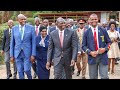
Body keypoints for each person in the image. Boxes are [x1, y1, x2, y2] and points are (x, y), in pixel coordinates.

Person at [82, 13, 111, 79]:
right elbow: (83, 46)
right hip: (92, 58)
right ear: (89, 20)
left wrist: (105, 49)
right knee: (93, 77)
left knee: (104, 77)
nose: (94, 21)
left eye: (95, 19)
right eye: (92, 19)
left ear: (98, 20)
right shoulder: (86, 32)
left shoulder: (103, 30)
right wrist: (90, 52)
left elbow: (109, 42)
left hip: (103, 57)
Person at [10, 14, 36, 79]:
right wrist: (11, 55)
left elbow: (33, 42)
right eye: (22, 19)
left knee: (27, 70)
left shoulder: (31, 28)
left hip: (27, 53)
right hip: (17, 53)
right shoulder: (14, 29)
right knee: (20, 71)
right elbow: (12, 43)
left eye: (25, 19)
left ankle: (30, 77)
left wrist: (33, 54)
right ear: (18, 20)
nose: (24, 20)